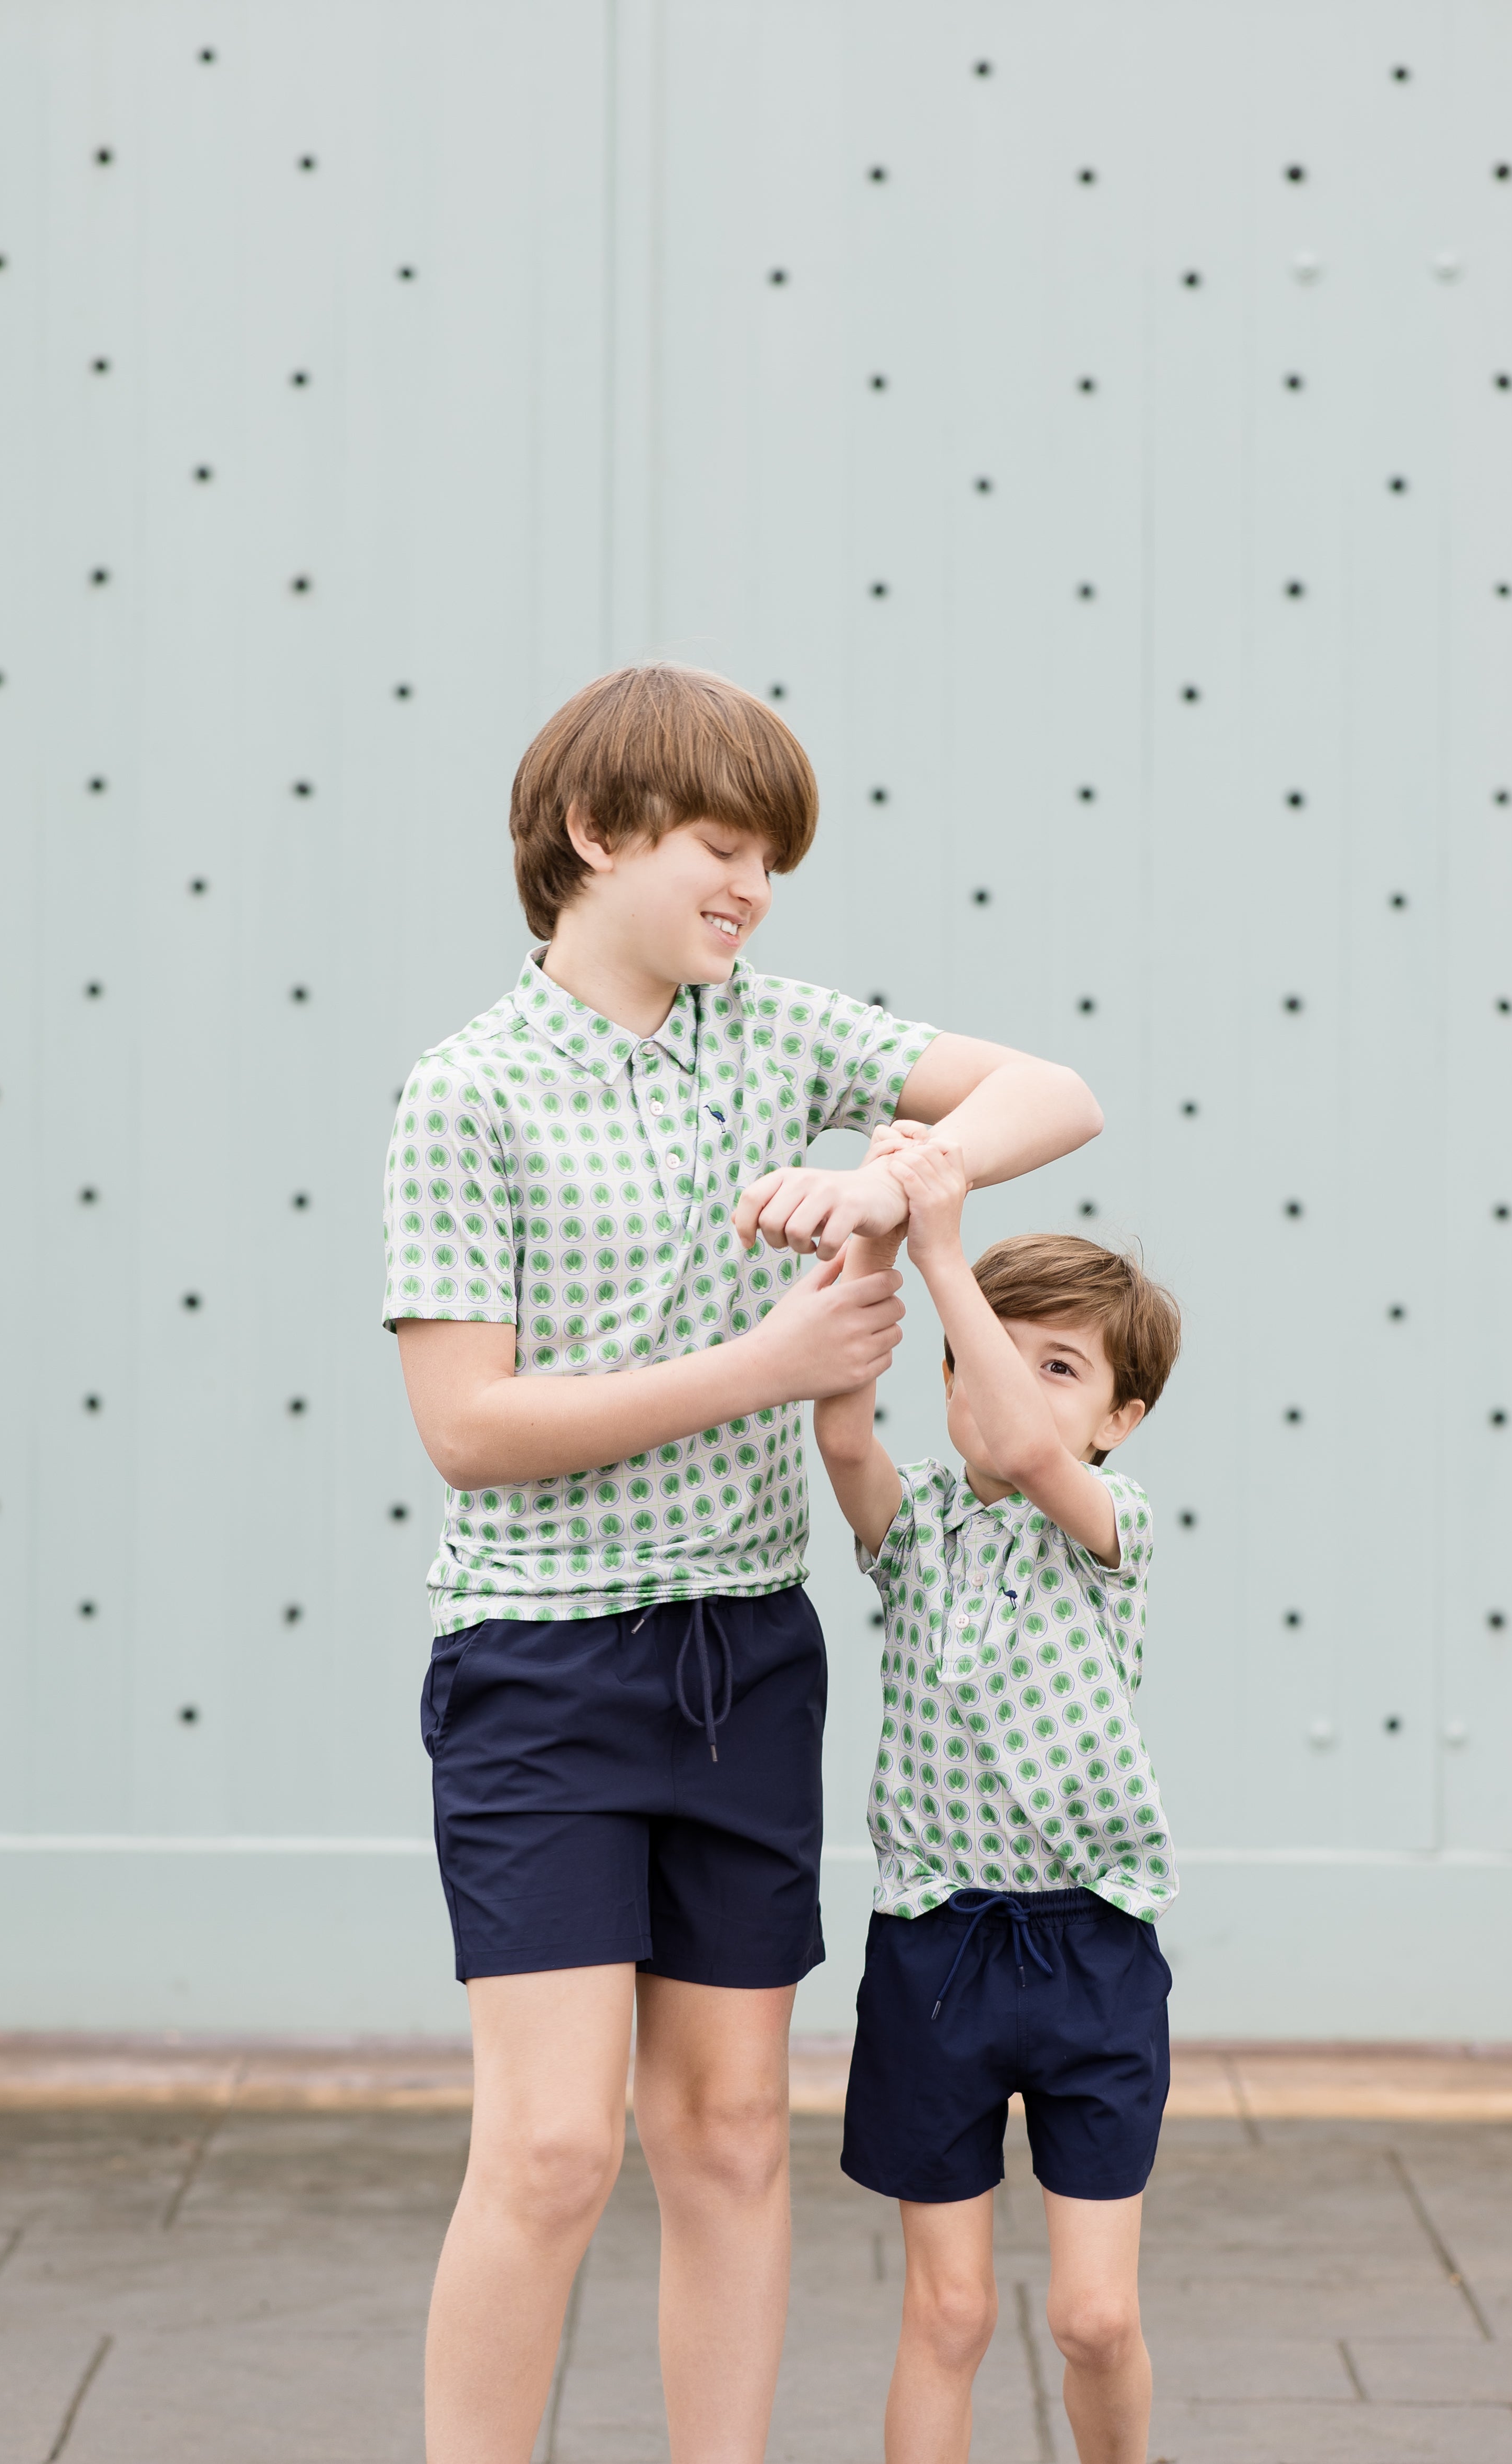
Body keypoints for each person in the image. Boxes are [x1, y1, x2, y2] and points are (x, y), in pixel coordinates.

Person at [381, 663, 1105, 2463]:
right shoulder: (465, 1093)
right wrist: (766, 1366)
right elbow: (466, 1425)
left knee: (722, 2135)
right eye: (720, 847)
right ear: (590, 831)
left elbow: (1054, 1092)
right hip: (541, 1669)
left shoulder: (772, 1034)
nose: (751, 889)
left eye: (770, 860)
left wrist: (893, 1180)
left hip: (745, 1663)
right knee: (552, 2149)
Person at [813, 1133, 1182, 2464]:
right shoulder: (914, 1526)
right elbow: (842, 1429)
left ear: (1117, 1417)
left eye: (1061, 1366)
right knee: (951, 2310)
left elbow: (1027, 1449)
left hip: (1091, 1947)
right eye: (987, 1353)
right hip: (937, 1948)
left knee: (1093, 2315)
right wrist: (878, 1223)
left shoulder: (1110, 1524)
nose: (1014, 1386)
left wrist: (946, 1250)